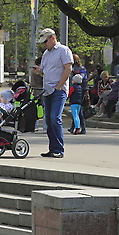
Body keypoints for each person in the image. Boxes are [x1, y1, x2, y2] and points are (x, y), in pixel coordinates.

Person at [33, 28, 73, 158]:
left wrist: (59, 86)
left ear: (52, 38)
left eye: (45, 41)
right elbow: (44, 72)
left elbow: (68, 68)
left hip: (58, 90)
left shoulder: (64, 50)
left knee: (55, 118)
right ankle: (52, 148)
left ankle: (59, 150)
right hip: (48, 90)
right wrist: (38, 71)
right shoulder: (46, 54)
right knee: (49, 120)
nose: (44, 44)